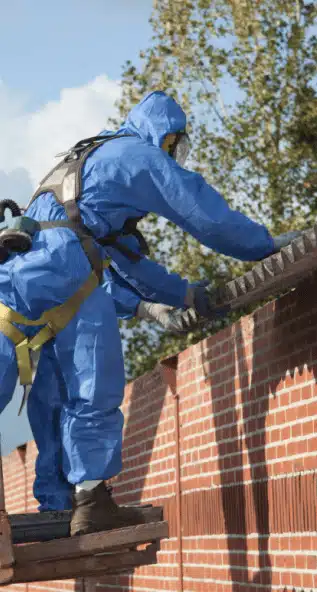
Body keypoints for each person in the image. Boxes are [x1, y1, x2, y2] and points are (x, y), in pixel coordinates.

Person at [0, 90, 300, 536]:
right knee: (92, 382)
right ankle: (92, 500)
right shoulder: (140, 155)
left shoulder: (88, 161)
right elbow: (202, 211)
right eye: (175, 145)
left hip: (17, 276)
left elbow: (113, 255)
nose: (174, 155)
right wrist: (262, 245)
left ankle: (59, 502)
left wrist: (174, 297)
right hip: (67, 273)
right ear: (165, 134)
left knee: (51, 390)